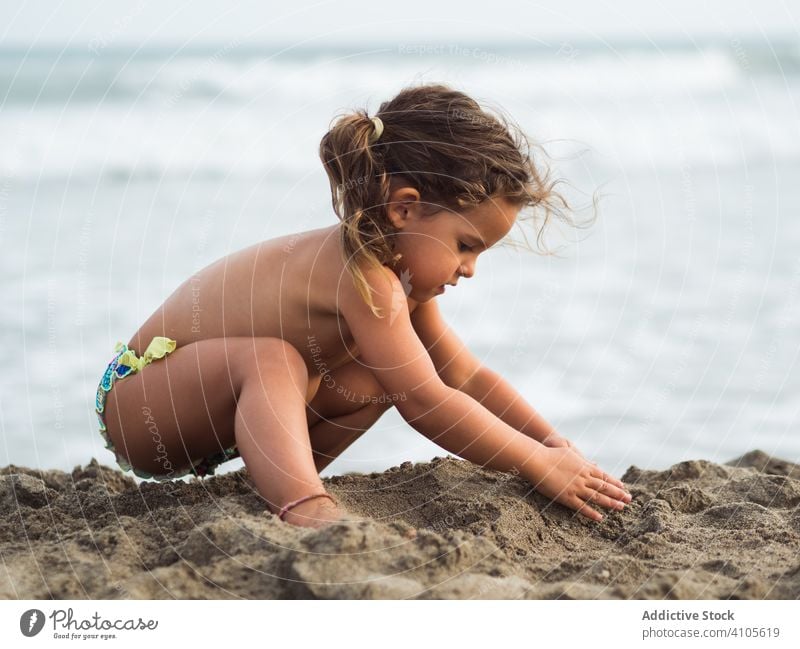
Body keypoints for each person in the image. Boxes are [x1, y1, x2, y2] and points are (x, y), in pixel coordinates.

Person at [94, 83, 631, 528]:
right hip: (142, 402)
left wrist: (555, 445)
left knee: (379, 378)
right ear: (404, 209)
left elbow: (464, 378)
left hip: (212, 422)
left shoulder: (401, 282)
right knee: (274, 359)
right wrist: (535, 464)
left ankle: (275, 482)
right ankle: (304, 505)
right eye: (466, 245)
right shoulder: (363, 275)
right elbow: (426, 403)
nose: (469, 269)